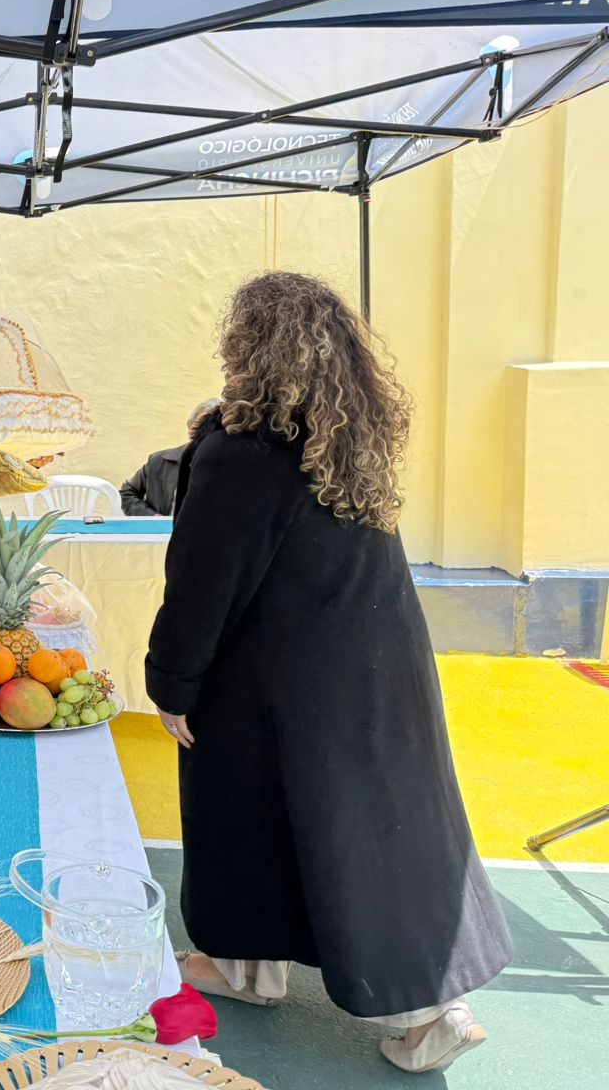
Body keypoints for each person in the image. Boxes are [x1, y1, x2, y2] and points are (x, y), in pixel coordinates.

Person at [146, 271, 510, 1075]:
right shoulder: (342, 438)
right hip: (380, 667)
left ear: (247, 345)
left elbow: (204, 581)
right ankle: (252, 968)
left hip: (279, 681)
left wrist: (171, 682)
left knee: (292, 821)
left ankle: (429, 1013)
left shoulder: (243, 451)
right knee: (376, 824)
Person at [120, 397, 221, 516]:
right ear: (189, 425)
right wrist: (152, 517)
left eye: (213, 429)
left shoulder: (229, 466)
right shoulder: (160, 461)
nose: (204, 434)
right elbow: (127, 493)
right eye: (198, 427)